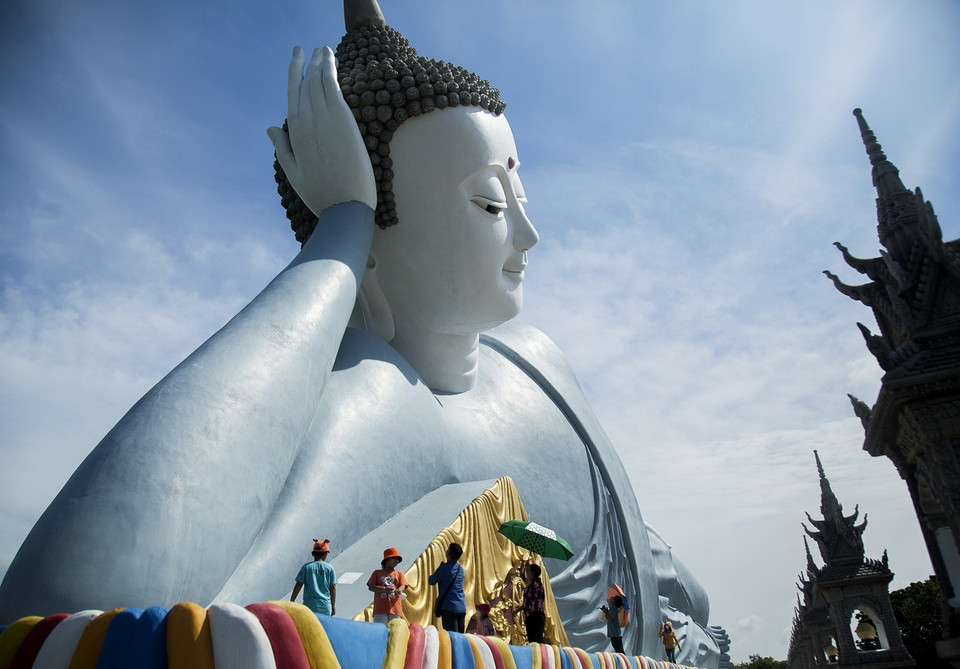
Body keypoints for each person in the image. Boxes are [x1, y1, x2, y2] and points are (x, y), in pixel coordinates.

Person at [0, 1, 724, 662]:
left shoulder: (538, 365)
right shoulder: (384, 402)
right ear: (375, 238)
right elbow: (75, 608)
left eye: (519, 196)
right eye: (490, 205)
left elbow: (681, 592)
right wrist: (341, 223)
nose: (529, 235)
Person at [290, 539, 337, 616]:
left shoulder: (306, 567)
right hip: (325, 606)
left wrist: (292, 601)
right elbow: (333, 587)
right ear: (325, 554)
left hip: (309, 607)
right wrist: (333, 606)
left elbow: (298, 584)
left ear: (313, 554)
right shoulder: (330, 568)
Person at [428, 543, 466, 633]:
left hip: (449, 607)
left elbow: (431, 581)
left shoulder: (444, 568)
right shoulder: (460, 569)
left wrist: (441, 568)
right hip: (461, 607)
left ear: (448, 553)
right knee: (460, 636)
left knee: (452, 637)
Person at [366, 547, 409, 624]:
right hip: (380, 609)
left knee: (394, 630)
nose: (396, 561)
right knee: (381, 629)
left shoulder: (399, 574)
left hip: (395, 608)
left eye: (397, 559)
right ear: (386, 560)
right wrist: (384, 589)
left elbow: (403, 585)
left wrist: (399, 590)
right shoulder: (377, 573)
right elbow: (371, 587)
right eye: (393, 558)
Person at [521, 564, 545, 644]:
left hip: (535, 615)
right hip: (530, 615)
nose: (526, 573)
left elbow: (532, 600)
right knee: (532, 639)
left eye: (528, 570)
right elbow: (527, 601)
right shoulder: (532, 584)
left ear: (532, 573)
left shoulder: (535, 585)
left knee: (537, 639)